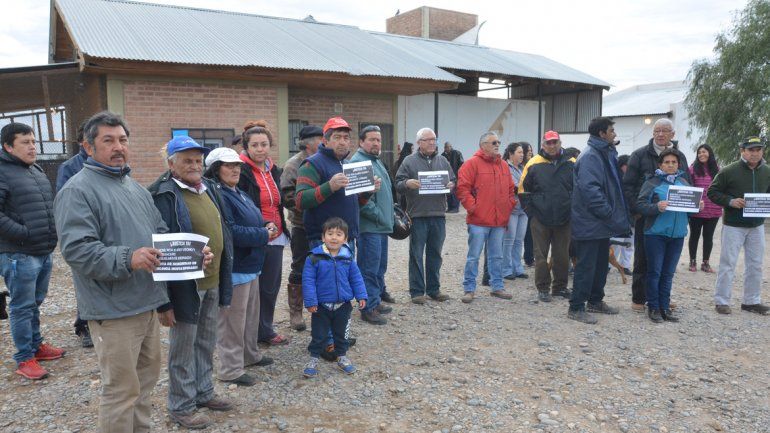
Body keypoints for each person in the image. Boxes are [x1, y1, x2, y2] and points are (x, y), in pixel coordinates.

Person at [55, 111, 192, 432]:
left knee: (144, 385)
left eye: (123, 140)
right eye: (108, 141)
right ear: (88, 147)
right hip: (112, 310)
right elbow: (77, 251)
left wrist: (194, 255)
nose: (118, 147)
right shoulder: (78, 191)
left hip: (145, 303)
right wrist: (127, 258)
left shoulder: (133, 187)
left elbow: (158, 233)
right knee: (120, 390)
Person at [149, 136, 234, 429]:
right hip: (185, 285)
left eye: (198, 160)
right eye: (187, 160)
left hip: (211, 279)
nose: (195, 166)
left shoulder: (208, 188)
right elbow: (158, 247)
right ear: (171, 163)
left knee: (205, 341)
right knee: (183, 348)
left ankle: (203, 391)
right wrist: (163, 301)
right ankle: (181, 407)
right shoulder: (163, 195)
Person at [205, 147, 276, 387]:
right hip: (236, 267)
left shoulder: (238, 191)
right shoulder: (218, 195)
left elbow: (252, 218)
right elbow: (230, 232)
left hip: (250, 264)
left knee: (249, 316)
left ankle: (249, 354)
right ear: (216, 170)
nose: (235, 169)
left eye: (237, 165)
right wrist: (262, 234)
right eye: (228, 165)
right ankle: (231, 368)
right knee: (232, 322)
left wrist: (265, 223)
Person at [0, 122, 61, 380]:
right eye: (25, 142)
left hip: (42, 250)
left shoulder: (34, 169)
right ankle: (24, 357)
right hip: (18, 253)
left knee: (34, 303)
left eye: (34, 142)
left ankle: (37, 345)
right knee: (22, 307)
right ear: (7, 147)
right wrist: (23, 233)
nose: (33, 147)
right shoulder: (2, 171)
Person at [623, 118, 690, 311]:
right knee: (643, 259)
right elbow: (628, 185)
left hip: (672, 218)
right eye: (657, 131)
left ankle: (661, 299)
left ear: (672, 135)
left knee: (665, 264)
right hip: (646, 216)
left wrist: (692, 206)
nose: (660, 134)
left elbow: (687, 184)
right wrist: (636, 210)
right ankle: (638, 298)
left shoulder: (680, 156)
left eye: (664, 131)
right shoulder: (639, 155)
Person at [568, 117, 626, 324]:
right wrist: (607, 211)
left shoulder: (604, 152)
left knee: (601, 264)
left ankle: (595, 300)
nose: (614, 134)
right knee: (586, 265)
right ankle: (576, 307)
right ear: (602, 134)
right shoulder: (591, 156)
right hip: (591, 220)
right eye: (611, 130)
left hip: (601, 222)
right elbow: (590, 189)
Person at [238, 120, 291, 345]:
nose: (260, 149)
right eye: (255, 145)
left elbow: (279, 201)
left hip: (276, 236)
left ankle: (265, 329)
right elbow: (241, 205)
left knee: (270, 286)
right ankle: (247, 334)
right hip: (254, 236)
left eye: (264, 144)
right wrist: (261, 225)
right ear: (246, 148)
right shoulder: (240, 171)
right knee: (250, 290)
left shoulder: (273, 169)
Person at [636, 149, 702, 323]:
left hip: (677, 235)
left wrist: (697, 207)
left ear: (678, 165)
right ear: (660, 165)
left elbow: (689, 212)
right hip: (655, 234)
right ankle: (653, 307)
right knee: (655, 272)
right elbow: (640, 205)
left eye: (674, 162)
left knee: (668, 274)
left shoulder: (684, 183)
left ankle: (665, 307)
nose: (670, 165)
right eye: (667, 162)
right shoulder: (652, 182)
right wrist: (656, 207)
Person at [708, 137, 770, 315]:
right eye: (751, 150)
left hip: (757, 225)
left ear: (762, 152)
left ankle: (751, 301)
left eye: (758, 150)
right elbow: (712, 192)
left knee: (756, 264)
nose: (755, 153)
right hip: (734, 225)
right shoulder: (729, 171)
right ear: (742, 151)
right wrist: (730, 201)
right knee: (728, 262)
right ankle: (721, 301)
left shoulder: (767, 171)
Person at [395, 127, 455, 304]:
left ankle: (434, 290)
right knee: (416, 254)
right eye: (428, 139)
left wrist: (452, 184)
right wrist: (407, 183)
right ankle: (417, 292)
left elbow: (453, 179)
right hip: (417, 215)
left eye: (434, 139)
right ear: (419, 143)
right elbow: (397, 183)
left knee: (435, 254)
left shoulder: (443, 160)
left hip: (438, 215)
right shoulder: (408, 161)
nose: (432, 142)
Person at [302, 217, 367, 378]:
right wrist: (310, 301)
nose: (334, 237)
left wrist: (361, 296)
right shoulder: (313, 258)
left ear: (345, 239)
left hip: (343, 305)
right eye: (330, 233)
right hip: (321, 306)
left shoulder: (348, 257)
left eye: (339, 234)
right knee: (319, 335)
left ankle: (342, 357)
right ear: (323, 237)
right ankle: (313, 359)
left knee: (341, 335)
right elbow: (308, 281)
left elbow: (356, 278)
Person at [456, 132, 516, 303]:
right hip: (478, 221)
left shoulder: (503, 165)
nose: (498, 145)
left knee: (497, 255)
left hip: (499, 221)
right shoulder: (471, 164)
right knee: (474, 256)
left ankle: (497, 287)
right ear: (483, 145)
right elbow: (462, 189)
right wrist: (474, 208)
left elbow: (511, 189)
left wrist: (508, 205)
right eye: (493, 142)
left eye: (498, 142)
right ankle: (469, 289)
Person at [518, 130, 574, 302]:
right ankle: (543, 288)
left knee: (562, 255)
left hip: (564, 218)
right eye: (548, 143)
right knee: (540, 255)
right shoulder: (533, 164)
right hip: (540, 219)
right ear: (543, 145)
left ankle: (560, 287)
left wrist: (572, 209)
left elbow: (579, 188)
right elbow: (522, 191)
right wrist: (532, 214)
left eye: (554, 142)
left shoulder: (571, 162)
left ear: (560, 143)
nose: (552, 146)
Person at [280, 125, 323, 331]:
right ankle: (296, 312)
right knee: (299, 267)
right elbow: (287, 196)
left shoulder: (323, 161)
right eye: (319, 139)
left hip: (325, 225)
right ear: (307, 144)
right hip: (302, 225)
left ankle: (322, 308)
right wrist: (311, 203)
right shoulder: (293, 165)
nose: (323, 142)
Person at [351, 125, 395, 325]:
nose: (376, 143)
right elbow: (361, 201)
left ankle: (375, 301)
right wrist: (379, 215)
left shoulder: (374, 161)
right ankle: (367, 308)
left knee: (378, 267)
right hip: (370, 227)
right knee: (368, 268)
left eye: (378, 140)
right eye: (372, 139)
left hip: (380, 226)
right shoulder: (359, 163)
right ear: (361, 142)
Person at [55, 121, 94, 348]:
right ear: (84, 143)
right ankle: (84, 325)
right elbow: (65, 201)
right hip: (85, 234)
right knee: (85, 282)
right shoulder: (70, 167)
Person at [687, 144, 721, 273]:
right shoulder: (692, 169)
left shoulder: (718, 170)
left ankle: (705, 263)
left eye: (704, 152)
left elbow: (722, 187)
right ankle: (692, 261)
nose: (702, 154)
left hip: (714, 209)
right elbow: (689, 188)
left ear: (710, 153)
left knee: (708, 237)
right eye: (699, 152)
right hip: (697, 209)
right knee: (694, 236)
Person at [502, 142, 528, 280]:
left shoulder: (523, 168)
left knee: (519, 239)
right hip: (511, 209)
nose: (522, 155)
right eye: (519, 152)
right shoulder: (505, 167)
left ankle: (517, 268)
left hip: (523, 209)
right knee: (509, 240)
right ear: (511, 154)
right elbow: (514, 187)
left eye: (522, 153)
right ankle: (506, 269)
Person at [612, 154, 634, 274]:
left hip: (632, 214)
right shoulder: (615, 179)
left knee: (630, 242)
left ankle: (625, 265)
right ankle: (610, 264)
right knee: (615, 241)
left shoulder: (635, 178)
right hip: (619, 215)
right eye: (627, 165)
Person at [521, 142, 535, 268]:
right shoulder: (520, 166)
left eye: (531, 150)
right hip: (522, 203)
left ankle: (530, 256)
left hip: (532, 203)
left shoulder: (534, 163)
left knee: (531, 233)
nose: (530, 152)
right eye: (528, 150)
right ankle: (528, 257)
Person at [442, 141, 464, 213]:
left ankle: (455, 208)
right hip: (447, 177)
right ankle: (450, 207)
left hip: (456, 176)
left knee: (455, 193)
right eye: (446, 147)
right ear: (444, 148)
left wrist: (459, 175)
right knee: (448, 192)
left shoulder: (457, 153)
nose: (448, 148)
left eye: (449, 146)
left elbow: (462, 164)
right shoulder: (442, 156)